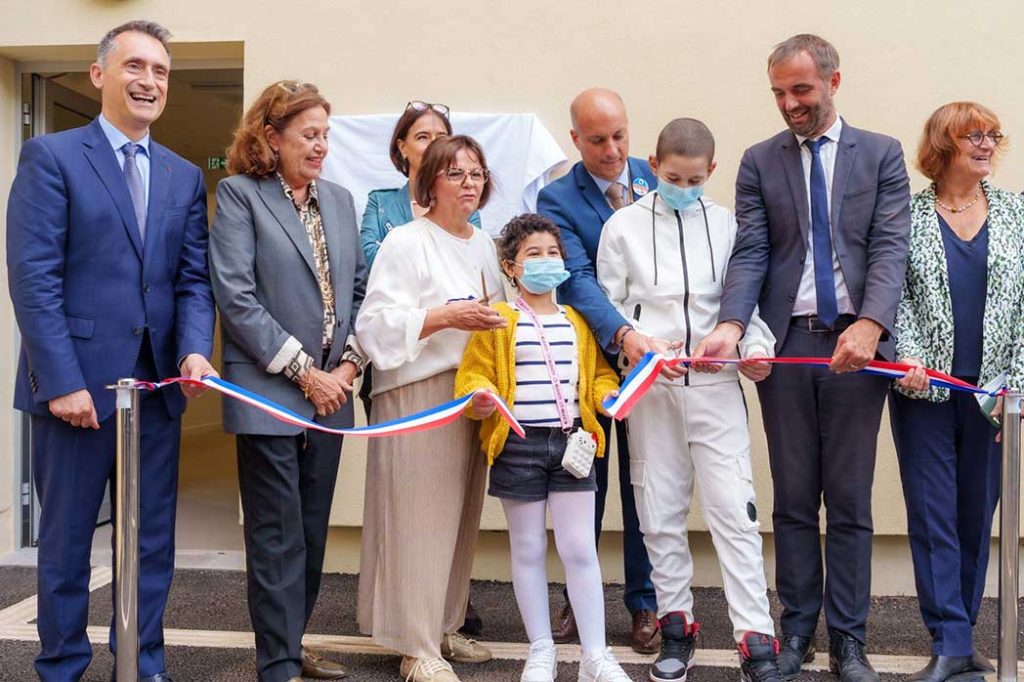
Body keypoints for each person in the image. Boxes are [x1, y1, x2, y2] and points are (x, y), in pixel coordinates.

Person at [693, 34, 911, 682]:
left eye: (801, 91)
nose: (789, 104)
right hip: (787, 349)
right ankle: (795, 634)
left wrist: (871, 325)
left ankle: (849, 641)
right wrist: (732, 325)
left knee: (847, 500)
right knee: (791, 499)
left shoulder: (882, 155)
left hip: (855, 348)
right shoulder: (760, 161)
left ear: (834, 81)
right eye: (779, 94)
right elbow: (753, 250)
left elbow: (890, 245)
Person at [6, 21, 216, 682]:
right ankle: (62, 667)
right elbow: (33, 279)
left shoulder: (183, 176)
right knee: (67, 544)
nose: (149, 81)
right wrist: (60, 380)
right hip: (77, 392)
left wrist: (192, 352)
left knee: (151, 542)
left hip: (156, 392)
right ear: (100, 75)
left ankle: (141, 662)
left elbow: (191, 280)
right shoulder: (53, 157)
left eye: (159, 70)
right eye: (135, 67)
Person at [597, 118, 782, 682]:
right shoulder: (622, 227)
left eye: (696, 178)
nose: (684, 186)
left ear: (712, 171)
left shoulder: (728, 226)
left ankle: (757, 639)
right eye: (674, 177)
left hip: (716, 387)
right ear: (653, 166)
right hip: (654, 388)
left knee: (734, 511)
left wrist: (754, 349)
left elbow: (748, 302)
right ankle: (677, 629)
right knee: (659, 511)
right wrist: (643, 346)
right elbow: (609, 304)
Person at [208, 80, 365, 682]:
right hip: (270, 391)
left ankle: (291, 644)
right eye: (309, 135)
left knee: (312, 532)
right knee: (276, 536)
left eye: (326, 134)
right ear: (270, 137)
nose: (321, 146)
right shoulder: (241, 195)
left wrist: (345, 370)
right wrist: (307, 373)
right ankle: (276, 665)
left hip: (332, 395)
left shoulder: (343, 202)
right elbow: (237, 298)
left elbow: (357, 294)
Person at [456, 214, 631, 682]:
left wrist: (606, 397)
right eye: (533, 254)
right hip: (518, 444)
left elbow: (597, 376)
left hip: (574, 441)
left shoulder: (575, 320)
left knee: (579, 548)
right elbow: (472, 375)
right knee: (528, 548)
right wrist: (478, 395)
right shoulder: (498, 321)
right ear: (511, 267)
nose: (546, 261)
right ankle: (541, 650)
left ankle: (596, 656)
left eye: (553, 253)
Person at [356, 135, 505, 682]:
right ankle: (415, 645)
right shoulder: (406, 241)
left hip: (474, 391)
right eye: (455, 173)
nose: (469, 183)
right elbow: (374, 325)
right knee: (419, 517)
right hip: (419, 391)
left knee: (460, 515)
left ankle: (443, 625)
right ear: (430, 182)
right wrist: (446, 317)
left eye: (476, 173)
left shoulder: (485, 246)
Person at [889, 102, 1024, 682]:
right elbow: (892, 290)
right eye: (975, 134)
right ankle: (949, 639)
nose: (988, 143)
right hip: (926, 393)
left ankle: (963, 636)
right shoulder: (908, 215)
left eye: (994, 134)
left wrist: (1018, 378)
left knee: (977, 513)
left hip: (995, 397)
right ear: (943, 145)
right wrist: (908, 355)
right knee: (933, 513)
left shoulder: (1017, 213)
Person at [536, 87, 660, 654]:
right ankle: (576, 595)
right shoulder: (557, 199)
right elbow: (577, 276)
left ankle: (644, 603)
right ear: (574, 140)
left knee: (645, 486)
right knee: (584, 483)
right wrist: (621, 334)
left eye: (620, 135)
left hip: (653, 360)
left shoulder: (657, 178)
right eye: (597, 140)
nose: (612, 151)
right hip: (591, 362)